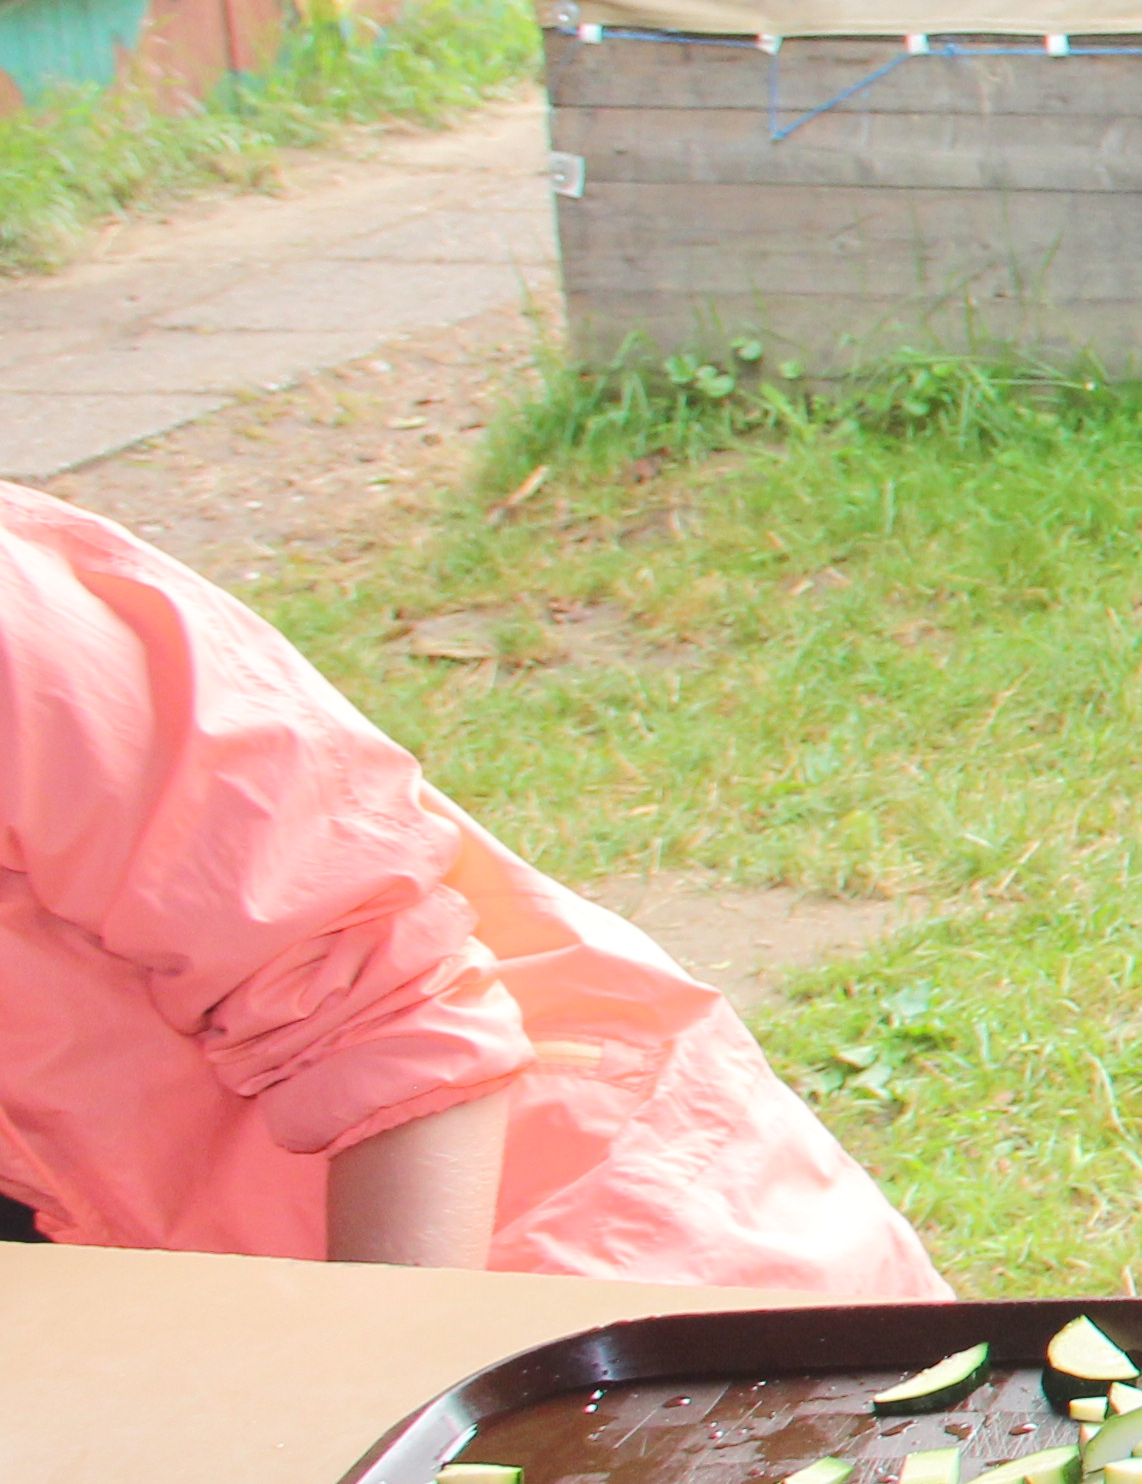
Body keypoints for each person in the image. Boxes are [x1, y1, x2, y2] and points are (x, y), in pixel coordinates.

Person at [0, 478, 942, 1294]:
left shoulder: (22, 633)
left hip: (554, 1275)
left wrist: (382, 1390)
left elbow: (387, 1016)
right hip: (172, 1316)